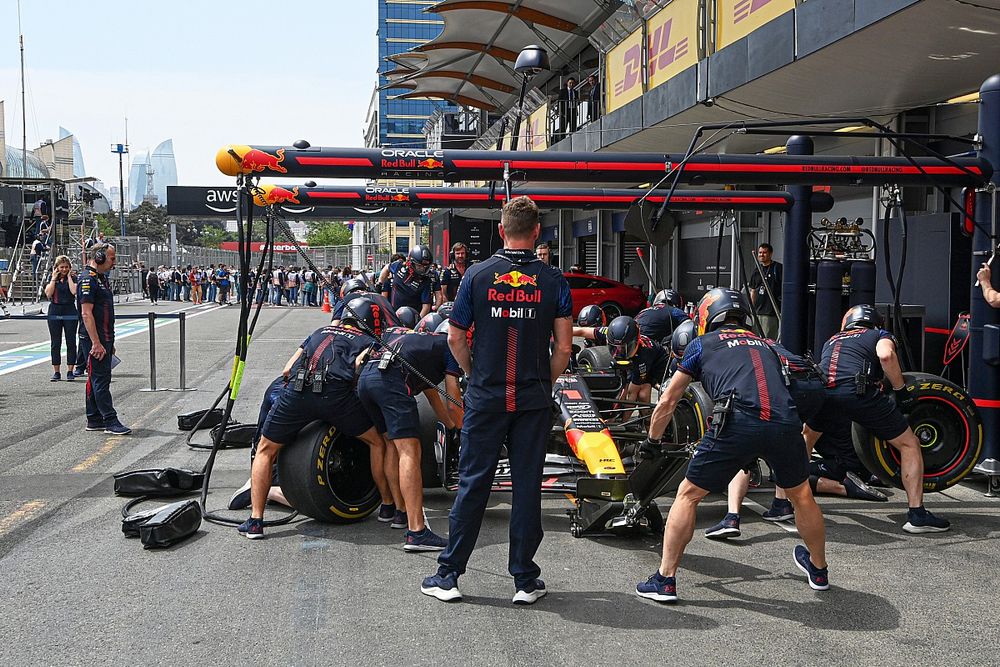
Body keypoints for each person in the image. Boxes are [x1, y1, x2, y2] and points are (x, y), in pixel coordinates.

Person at [421, 195, 573, 605]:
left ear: (502, 231)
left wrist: (474, 375)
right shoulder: (555, 281)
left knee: (473, 484)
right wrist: (544, 380)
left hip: (487, 396)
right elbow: (563, 349)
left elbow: (454, 336)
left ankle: (449, 574)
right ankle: (524, 580)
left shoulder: (475, 275)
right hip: (532, 399)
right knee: (526, 487)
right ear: (537, 232)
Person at [635, 288, 829, 602]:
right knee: (802, 496)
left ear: (707, 315)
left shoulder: (701, 344)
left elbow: (669, 399)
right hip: (784, 419)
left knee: (689, 494)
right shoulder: (768, 344)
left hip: (736, 420)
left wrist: (652, 441)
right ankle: (819, 571)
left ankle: (664, 580)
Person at [237, 299, 392, 539]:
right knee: (377, 443)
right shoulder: (369, 341)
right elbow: (363, 372)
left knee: (265, 450)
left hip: (297, 393)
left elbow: (287, 369)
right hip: (336, 397)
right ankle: (388, 505)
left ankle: (255, 521)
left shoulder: (319, 331)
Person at [797, 304, 950, 533]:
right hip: (858, 393)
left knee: (806, 439)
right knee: (909, 444)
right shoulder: (879, 334)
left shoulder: (834, 339)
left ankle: (784, 505)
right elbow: (886, 356)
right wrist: (900, 390)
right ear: (876, 323)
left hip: (823, 393)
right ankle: (917, 515)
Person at [358, 326, 464, 551]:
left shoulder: (415, 342)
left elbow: (433, 396)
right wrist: (467, 430)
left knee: (390, 445)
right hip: (393, 381)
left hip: (366, 379)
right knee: (409, 452)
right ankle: (417, 531)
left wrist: (452, 426)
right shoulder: (451, 346)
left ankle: (395, 511)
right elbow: (453, 398)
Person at [79, 243, 130, 435]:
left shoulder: (100, 278)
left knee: (96, 379)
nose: (114, 262)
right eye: (112, 258)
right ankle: (110, 420)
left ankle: (94, 418)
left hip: (104, 337)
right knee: (101, 379)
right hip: (95, 338)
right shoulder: (88, 279)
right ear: (99, 257)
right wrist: (96, 343)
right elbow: (86, 314)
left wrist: (110, 342)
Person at [44, 255, 78, 382]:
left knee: (71, 341)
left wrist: (69, 277)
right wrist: (53, 278)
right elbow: (48, 294)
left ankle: (70, 370)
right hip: (55, 310)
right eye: (62, 267)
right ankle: (56, 371)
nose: (64, 269)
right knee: (55, 342)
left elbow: (74, 291)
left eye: (66, 267)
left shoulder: (74, 278)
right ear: (57, 268)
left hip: (69, 310)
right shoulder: (53, 278)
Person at [381, 246, 434, 318]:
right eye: (419, 266)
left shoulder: (426, 281)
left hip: (411, 319)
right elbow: (387, 268)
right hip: (393, 315)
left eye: (425, 267)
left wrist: (417, 323)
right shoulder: (398, 266)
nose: (422, 269)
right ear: (411, 262)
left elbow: (426, 306)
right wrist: (380, 283)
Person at [748, 243, 782, 340]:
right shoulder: (756, 270)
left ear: (770, 254)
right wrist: (751, 309)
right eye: (760, 253)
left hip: (770, 312)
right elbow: (753, 290)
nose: (761, 255)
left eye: (764, 252)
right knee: (755, 338)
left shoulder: (778, 268)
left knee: (768, 340)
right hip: (757, 312)